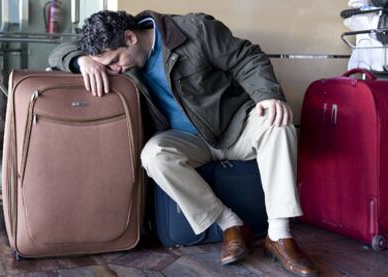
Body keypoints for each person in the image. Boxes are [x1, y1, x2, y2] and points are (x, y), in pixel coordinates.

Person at [48, 10, 317, 276]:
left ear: (130, 37)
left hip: (233, 125)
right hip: (186, 139)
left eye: (115, 61)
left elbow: (246, 57)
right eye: (108, 66)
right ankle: (232, 225)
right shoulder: (114, 50)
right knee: (154, 156)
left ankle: (279, 236)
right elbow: (60, 50)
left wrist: (268, 95)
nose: (114, 70)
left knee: (278, 124)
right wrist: (82, 60)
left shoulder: (194, 29)